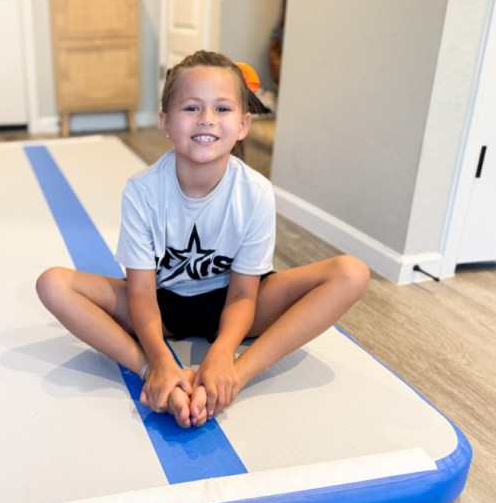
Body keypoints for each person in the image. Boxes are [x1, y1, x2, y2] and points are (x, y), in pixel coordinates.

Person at [36, 50, 369, 428]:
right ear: (165, 121)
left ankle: (232, 380)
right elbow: (142, 293)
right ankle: (153, 375)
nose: (207, 120)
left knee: (351, 273)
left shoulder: (255, 192)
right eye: (191, 108)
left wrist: (224, 356)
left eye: (222, 109)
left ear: (243, 124)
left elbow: (245, 294)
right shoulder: (142, 191)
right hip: (162, 307)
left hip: (235, 303)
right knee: (53, 284)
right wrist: (158, 360)